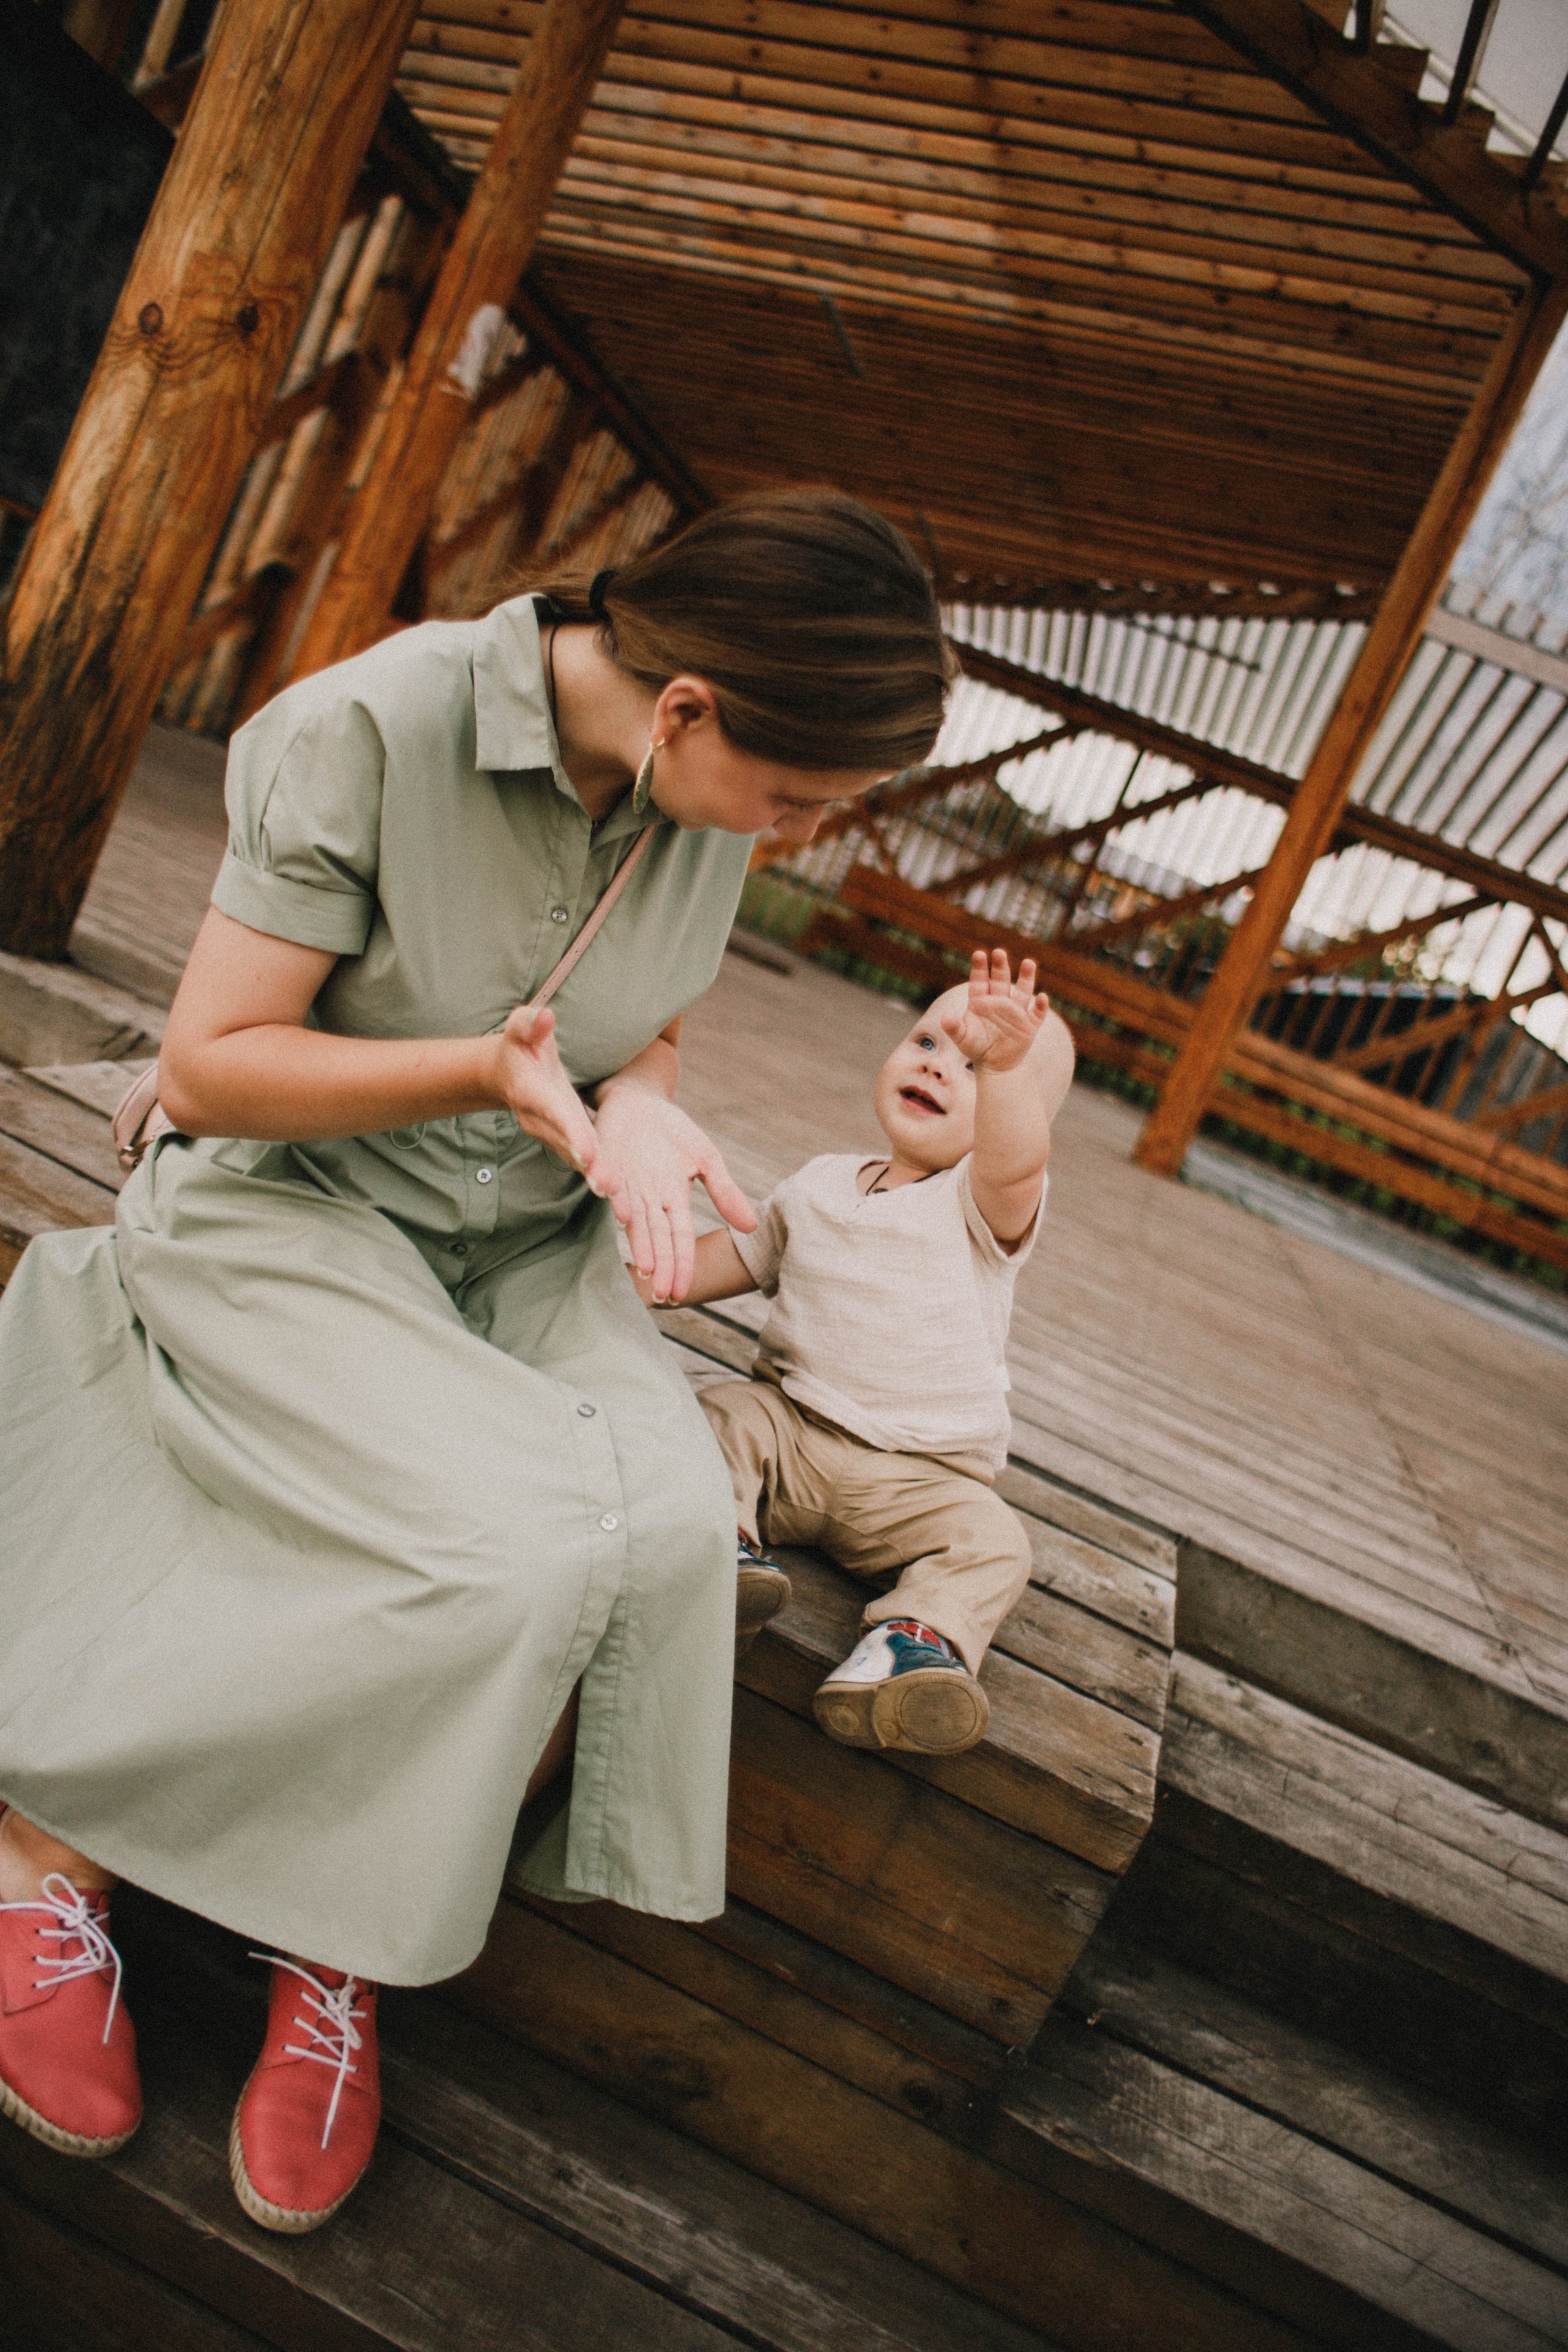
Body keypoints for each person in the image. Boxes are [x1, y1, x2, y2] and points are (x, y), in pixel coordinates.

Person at [0, 491, 951, 2233]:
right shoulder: (367, 728)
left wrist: (646, 1111)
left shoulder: (703, 784)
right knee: (515, 1549)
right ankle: (44, 1849)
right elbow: (210, 1070)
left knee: (666, 1541)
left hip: (524, 1236)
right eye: (799, 799)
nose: (802, 837)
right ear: (685, 710)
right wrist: (488, 1079)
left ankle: (341, 1917)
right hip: (294, 1206)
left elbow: (647, 1021)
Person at [647, 949, 1074, 1756]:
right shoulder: (817, 1184)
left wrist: (1012, 1072)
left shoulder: (981, 1206)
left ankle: (910, 1648)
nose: (942, 1068)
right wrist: (651, 1272)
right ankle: (719, 1549)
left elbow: (1016, 1160)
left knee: (996, 1544)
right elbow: (733, 1258)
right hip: (791, 1435)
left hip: (916, 1480)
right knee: (718, 1414)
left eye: (979, 1066)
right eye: (928, 1043)